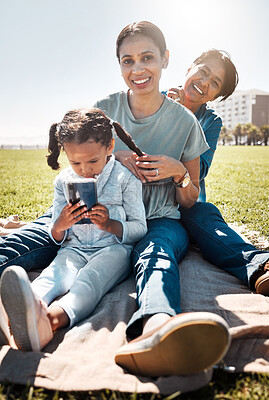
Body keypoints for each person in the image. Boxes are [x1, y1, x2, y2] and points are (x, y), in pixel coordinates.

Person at [0, 21, 268, 374]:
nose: (138, 68)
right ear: (188, 67)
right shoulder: (108, 108)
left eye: (147, 58)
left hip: (158, 216)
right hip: (98, 209)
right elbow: (82, 152)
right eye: (128, 61)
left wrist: (179, 171)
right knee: (42, 232)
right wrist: (117, 155)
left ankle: (157, 327)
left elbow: (190, 197)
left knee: (164, 248)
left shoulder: (193, 122)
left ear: (165, 59)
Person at [0, 108, 147, 351]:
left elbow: (140, 228)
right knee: (52, 276)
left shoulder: (125, 178)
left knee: (89, 282)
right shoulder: (62, 181)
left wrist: (110, 225)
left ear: (109, 147)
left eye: (92, 161)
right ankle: (14, 319)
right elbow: (56, 235)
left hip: (113, 251)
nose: (84, 170)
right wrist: (61, 224)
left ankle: (49, 322)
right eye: (75, 162)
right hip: (74, 249)